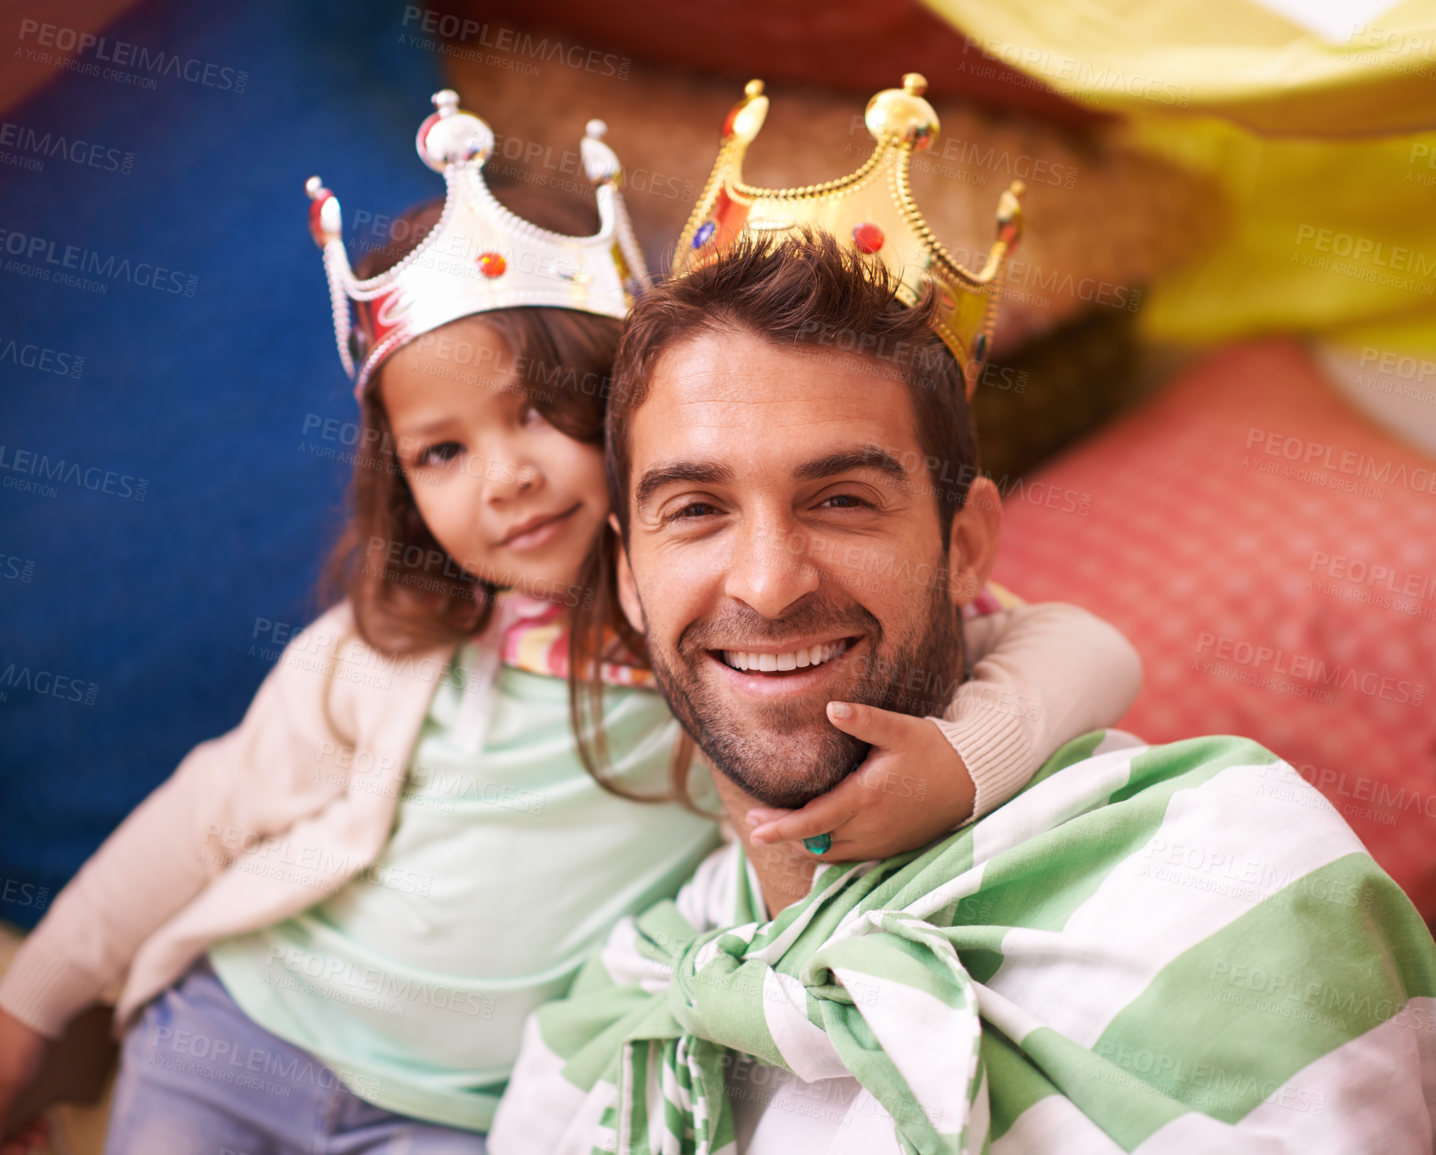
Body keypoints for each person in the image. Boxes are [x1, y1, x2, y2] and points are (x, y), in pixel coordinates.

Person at [0, 94, 1141, 1152]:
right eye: (442, 451)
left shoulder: (748, 642)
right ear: (399, 483)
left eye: (545, 414)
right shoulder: (394, 657)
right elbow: (204, 814)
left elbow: (1090, 651)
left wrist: (959, 761)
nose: (505, 478)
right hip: (240, 1038)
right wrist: (29, 1008)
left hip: (457, 1124)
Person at [488, 227, 1436, 1154]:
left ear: (967, 543)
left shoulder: (1241, 879)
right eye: (698, 509)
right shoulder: (625, 994)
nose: (767, 583)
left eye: (842, 500)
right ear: (627, 575)